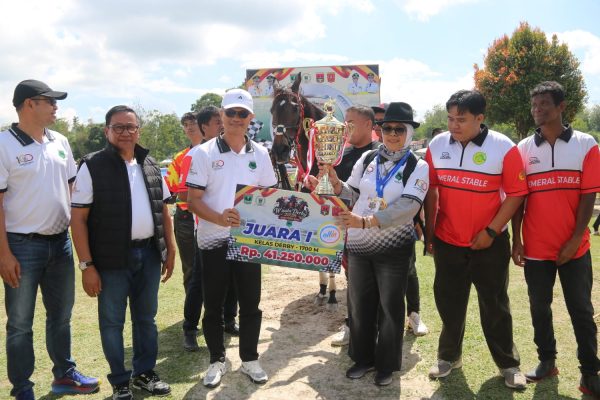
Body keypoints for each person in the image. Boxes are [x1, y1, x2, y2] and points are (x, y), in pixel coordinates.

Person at [310, 102, 429, 386]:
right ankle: (362, 358)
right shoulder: (368, 158)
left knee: (390, 308)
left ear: (409, 132)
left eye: (400, 129)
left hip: (393, 248)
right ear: (380, 130)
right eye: (388, 128)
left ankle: (386, 365)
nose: (393, 134)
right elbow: (352, 193)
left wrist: (365, 221)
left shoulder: (418, 165)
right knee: (359, 305)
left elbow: (408, 207)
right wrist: (335, 184)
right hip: (359, 245)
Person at [0, 79, 99, 400]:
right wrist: (3, 254)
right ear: (29, 104)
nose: (56, 107)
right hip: (21, 246)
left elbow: (72, 191)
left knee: (61, 316)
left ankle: (64, 375)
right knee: (20, 323)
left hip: (60, 243)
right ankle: (22, 389)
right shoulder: (3, 144)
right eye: (50, 101)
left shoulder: (60, 141)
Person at [424, 90, 528, 390]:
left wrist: (491, 232)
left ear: (480, 118)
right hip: (448, 241)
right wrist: (430, 233)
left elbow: (517, 194)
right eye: (450, 119)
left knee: (495, 305)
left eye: (461, 120)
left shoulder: (503, 147)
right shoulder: (437, 145)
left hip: (489, 243)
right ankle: (448, 357)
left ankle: (508, 364)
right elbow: (431, 190)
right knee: (449, 302)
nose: (453, 125)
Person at [70, 105, 176, 400]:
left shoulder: (150, 164)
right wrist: (86, 265)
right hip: (110, 260)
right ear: (107, 131)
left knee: (146, 319)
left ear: (138, 131)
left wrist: (170, 249)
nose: (125, 132)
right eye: (118, 127)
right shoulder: (92, 166)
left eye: (131, 127)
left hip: (149, 255)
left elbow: (164, 211)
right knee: (112, 323)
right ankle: (119, 381)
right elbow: (77, 219)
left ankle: (145, 373)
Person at [512, 81, 600, 397]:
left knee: (581, 310)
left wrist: (576, 238)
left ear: (561, 107)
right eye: (534, 105)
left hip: (575, 248)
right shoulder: (523, 149)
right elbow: (518, 199)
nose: (537, 110)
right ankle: (547, 362)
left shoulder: (586, 144)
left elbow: (589, 195)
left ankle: (590, 373)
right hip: (536, 248)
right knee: (539, 307)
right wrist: (516, 239)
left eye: (544, 104)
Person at [186, 89, 277, 388]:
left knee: (250, 303)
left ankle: (250, 359)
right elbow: (193, 201)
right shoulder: (203, 153)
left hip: (248, 241)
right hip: (212, 238)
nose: (237, 118)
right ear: (221, 115)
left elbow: (270, 198)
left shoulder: (261, 153)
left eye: (242, 113)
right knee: (213, 304)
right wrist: (219, 218)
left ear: (251, 117)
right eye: (231, 113)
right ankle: (217, 360)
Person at [175, 107, 240, 352]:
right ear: (204, 127)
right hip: (207, 230)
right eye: (217, 122)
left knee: (233, 277)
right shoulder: (196, 155)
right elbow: (185, 195)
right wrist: (214, 213)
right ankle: (190, 328)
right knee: (199, 281)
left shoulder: (236, 150)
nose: (223, 125)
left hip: (235, 228)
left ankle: (229, 320)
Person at [327, 105, 381, 347]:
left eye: (351, 122)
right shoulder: (341, 155)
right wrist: (319, 184)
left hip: (376, 230)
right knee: (353, 281)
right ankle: (352, 325)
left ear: (368, 125)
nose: (345, 127)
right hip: (346, 230)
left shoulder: (381, 154)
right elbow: (338, 190)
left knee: (380, 282)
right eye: (344, 121)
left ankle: (381, 327)